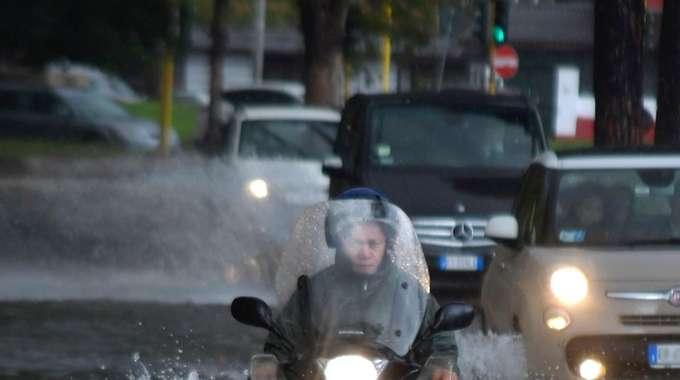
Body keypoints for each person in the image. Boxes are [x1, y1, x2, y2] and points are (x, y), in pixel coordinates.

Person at [264, 188, 460, 380]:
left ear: (387, 243)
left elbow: (439, 339)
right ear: (338, 241)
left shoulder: (408, 291)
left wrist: (441, 362)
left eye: (373, 243)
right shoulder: (314, 289)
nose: (365, 252)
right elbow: (283, 337)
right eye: (355, 242)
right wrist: (271, 360)